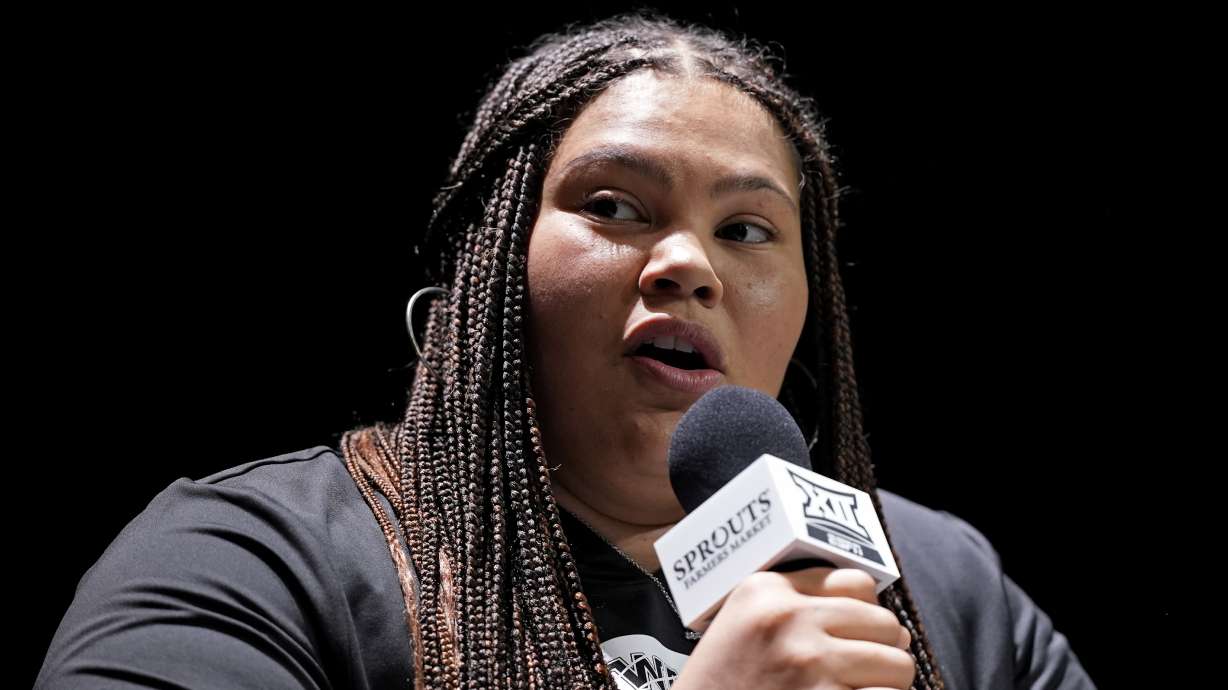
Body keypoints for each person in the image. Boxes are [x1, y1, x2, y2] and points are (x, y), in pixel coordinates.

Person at [36, 11, 1096, 690]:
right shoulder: (254, 562)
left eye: (746, 230)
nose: (690, 265)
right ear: (493, 269)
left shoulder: (940, 584)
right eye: (614, 206)